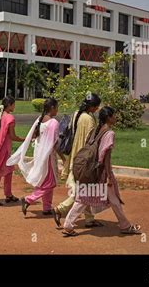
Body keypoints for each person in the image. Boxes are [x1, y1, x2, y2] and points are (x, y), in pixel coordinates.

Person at [62, 106, 141, 236]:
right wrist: (109, 175)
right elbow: (105, 156)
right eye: (114, 115)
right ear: (109, 118)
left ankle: (124, 225)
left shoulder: (95, 131)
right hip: (99, 173)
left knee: (107, 199)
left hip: (90, 170)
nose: (115, 117)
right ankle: (68, 225)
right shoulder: (109, 133)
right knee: (83, 199)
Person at [52, 93, 102, 228]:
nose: (97, 109)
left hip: (75, 155)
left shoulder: (77, 114)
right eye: (96, 106)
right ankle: (60, 209)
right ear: (92, 106)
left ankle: (89, 219)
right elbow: (90, 140)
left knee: (84, 188)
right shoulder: (89, 119)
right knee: (83, 191)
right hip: (84, 158)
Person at [7, 98, 60, 216]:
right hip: (48, 157)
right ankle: (28, 199)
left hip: (40, 155)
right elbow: (54, 143)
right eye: (57, 107)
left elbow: (33, 137)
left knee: (43, 182)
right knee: (50, 183)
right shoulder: (54, 123)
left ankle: (47, 207)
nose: (57, 110)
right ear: (52, 108)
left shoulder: (39, 120)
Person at [0, 96, 24, 206]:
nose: (14, 106)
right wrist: (25, 139)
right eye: (14, 104)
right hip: (3, 150)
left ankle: (8, 195)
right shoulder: (10, 118)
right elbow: (12, 136)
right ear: (10, 105)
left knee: (8, 171)